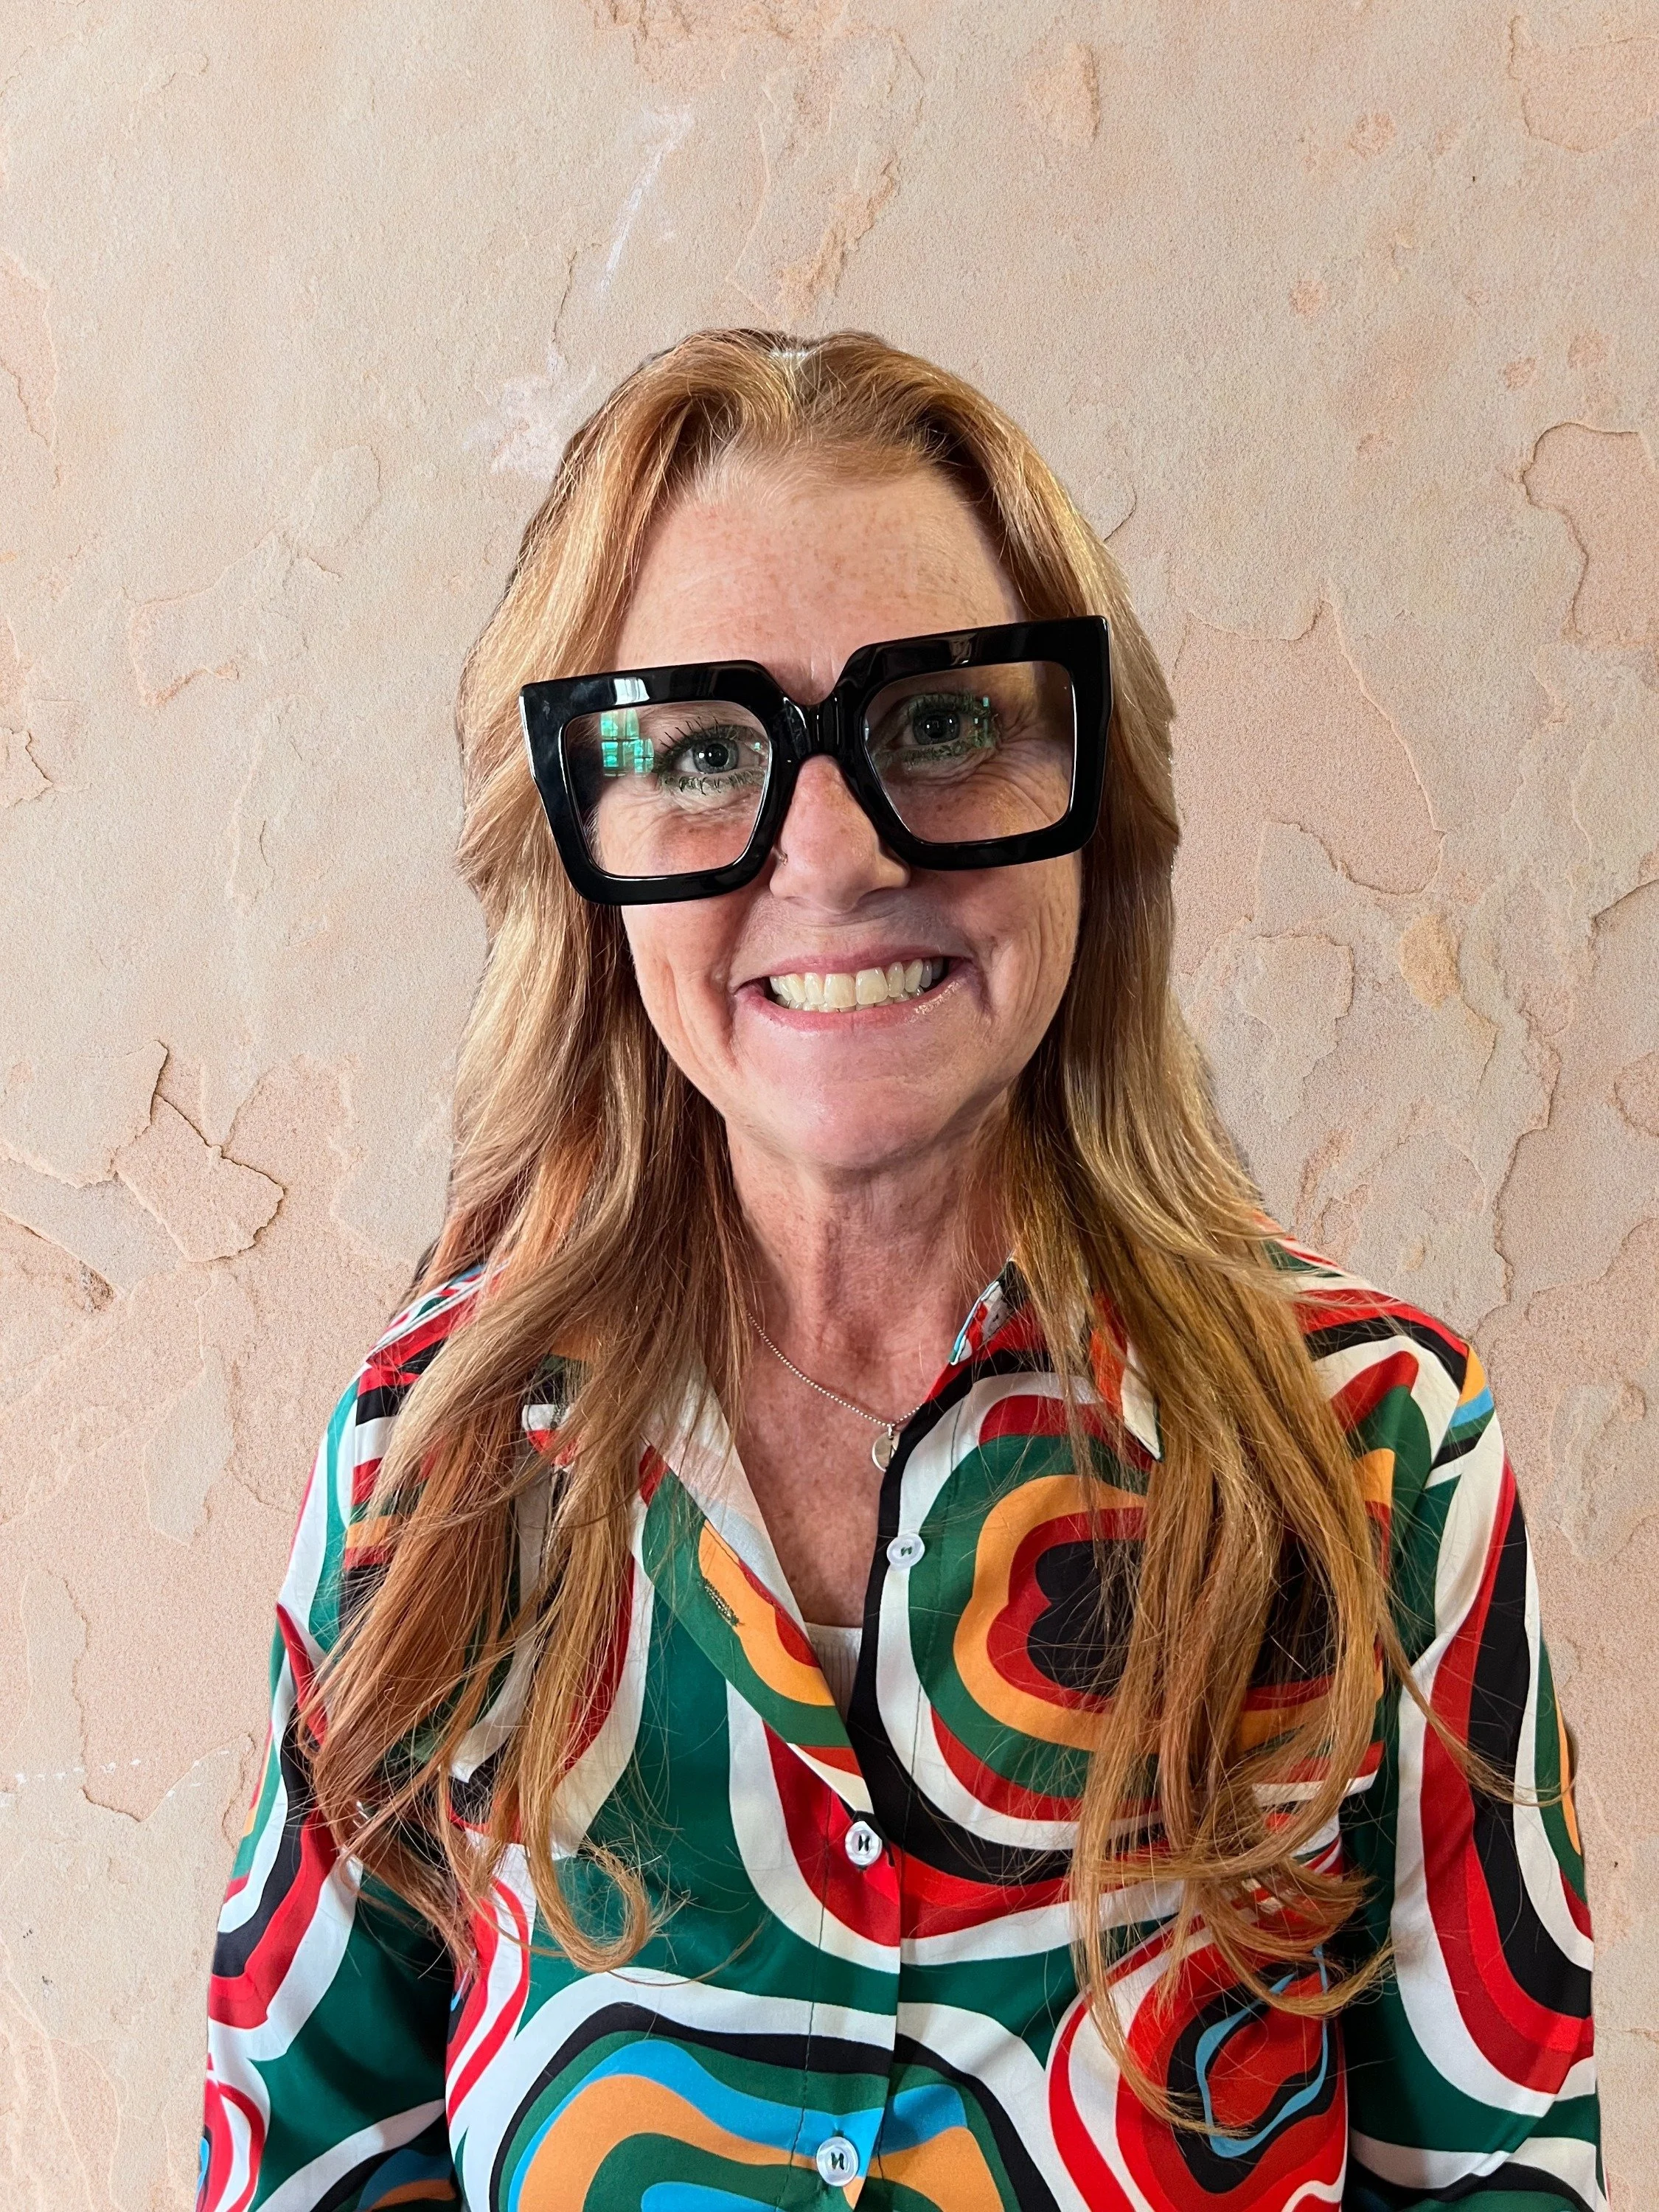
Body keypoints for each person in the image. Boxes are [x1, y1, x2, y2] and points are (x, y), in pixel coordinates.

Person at [195, 330, 1601, 2212]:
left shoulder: (1375, 1459)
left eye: (940, 723)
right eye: (702, 750)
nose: (836, 852)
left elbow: (1500, 2181)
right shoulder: (429, 1462)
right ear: (582, 846)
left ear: (1092, 794)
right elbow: (294, 2169)